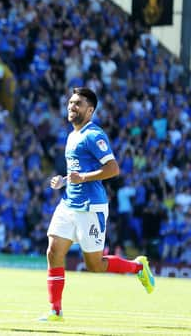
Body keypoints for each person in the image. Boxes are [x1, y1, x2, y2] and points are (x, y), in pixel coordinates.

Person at [40, 87, 155, 322]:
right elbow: (76, 171)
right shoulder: (72, 135)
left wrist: (83, 177)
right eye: (71, 102)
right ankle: (56, 310)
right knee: (53, 251)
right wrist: (62, 180)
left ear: (90, 110)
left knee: (94, 264)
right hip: (69, 203)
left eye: (78, 104)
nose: (72, 106)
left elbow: (113, 169)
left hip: (91, 208)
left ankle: (138, 268)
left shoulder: (94, 135)